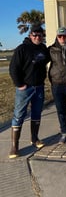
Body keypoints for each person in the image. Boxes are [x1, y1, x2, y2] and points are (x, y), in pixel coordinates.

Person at [9, 24, 50, 158]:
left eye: (40, 35)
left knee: (37, 113)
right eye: (35, 35)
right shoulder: (22, 49)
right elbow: (13, 68)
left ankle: (35, 138)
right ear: (30, 35)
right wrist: (20, 84)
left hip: (39, 87)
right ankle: (14, 146)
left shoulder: (43, 49)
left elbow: (50, 58)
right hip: (25, 88)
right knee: (19, 115)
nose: (37, 37)